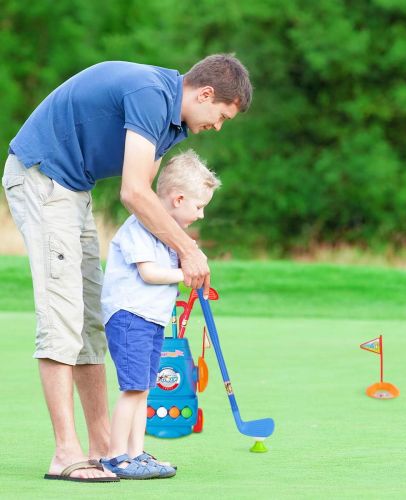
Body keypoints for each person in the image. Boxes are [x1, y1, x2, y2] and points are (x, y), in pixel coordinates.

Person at [1, 54, 252, 482]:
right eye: (221, 115)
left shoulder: (172, 125)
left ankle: (105, 449)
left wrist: (168, 250)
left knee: (90, 320)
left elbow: (149, 203)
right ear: (206, 94)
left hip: (72, 188)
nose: (218, 126)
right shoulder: (153, 96)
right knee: (63, 316)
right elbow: (134, 193)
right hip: (41, 178)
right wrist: (188, 253)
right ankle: (66, 453)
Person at [100, 150, 220, 479]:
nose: (202, 215)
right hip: (129, 317)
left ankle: (136, 453)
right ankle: (115, 456)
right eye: (199, 207)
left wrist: (190, 261)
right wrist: (186, 274)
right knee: (133, 388)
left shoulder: (169, 236)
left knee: (144, 388)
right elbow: (150, 274)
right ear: (178, 199)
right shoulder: (139, 226)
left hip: (151, 319)